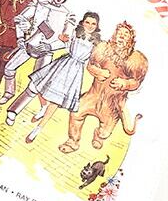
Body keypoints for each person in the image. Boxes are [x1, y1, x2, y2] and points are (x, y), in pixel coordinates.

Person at [5, 12, 101, 143]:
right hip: (62, 64)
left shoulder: (97, 43)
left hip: (75, 72)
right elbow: (63, 43)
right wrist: (52, 44)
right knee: (39, 84)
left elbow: (95, 60)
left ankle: (37, 129)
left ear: (97, 26)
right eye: (87, 22)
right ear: (82, 22)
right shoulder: (75, 33)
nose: (90, 26)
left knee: (56, 100)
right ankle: (43, 106)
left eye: (93, 24)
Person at [59, 21, 148, 153]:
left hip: (112, 103)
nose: (122, 36)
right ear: (115, 35)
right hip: (93, 95)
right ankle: (73, 141)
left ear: (131, 39)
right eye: (120, 33)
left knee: (105, 132)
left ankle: (99, 136)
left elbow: (136, 82)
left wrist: (125, 84)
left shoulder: (136, 59)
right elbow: (90, 65)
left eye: (126, 34)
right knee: (76, 113)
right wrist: (98, 71)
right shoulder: (102, 48)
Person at [0, 0, 76, 109]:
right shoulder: (38, 5)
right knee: (9, 68)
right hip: (29, 45)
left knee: (36, 84)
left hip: (46, 52)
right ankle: (9, 92)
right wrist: (20, 38)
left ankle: (15, 110)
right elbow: (20, 19)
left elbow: (67, 39)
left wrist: (50, 46)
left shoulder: (68, 15)